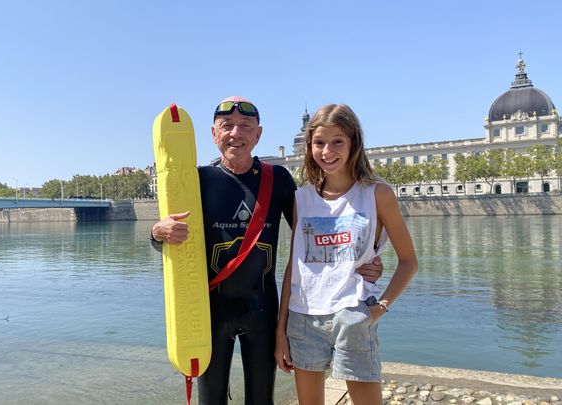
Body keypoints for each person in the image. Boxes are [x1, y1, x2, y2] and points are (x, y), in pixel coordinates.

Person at [151, 97, 383, 405]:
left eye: (245, 126)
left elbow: (320, 229)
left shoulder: (279, 180)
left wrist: (367, 257)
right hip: (208, 312)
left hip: (262, 309)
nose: (236, 133)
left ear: (258, 134)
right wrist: (157, 233)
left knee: (261, 400)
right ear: (213, 133)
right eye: (227, 126)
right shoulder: (198, 181)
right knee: (211, 399)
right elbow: (172, 241)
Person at [274, 104, 418, 405]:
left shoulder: (377, 194)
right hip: (304, 317)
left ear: (353, 142)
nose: (327, 151)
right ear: (309, 146)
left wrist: (380, 308)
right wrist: (280, 328)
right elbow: (295, 266)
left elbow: (409, 262)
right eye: (319, 143)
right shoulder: (302, 198)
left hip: (353, 313)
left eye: (338, 141)